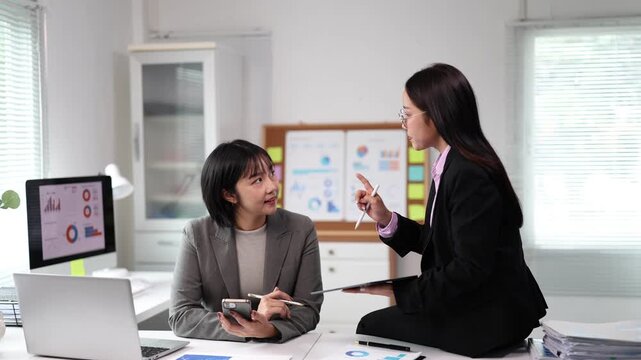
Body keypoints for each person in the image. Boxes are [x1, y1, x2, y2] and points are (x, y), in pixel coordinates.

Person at [350, 63, 547, 357]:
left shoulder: (468, 172)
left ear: (435, 115)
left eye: (407, 114)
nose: (403, 124)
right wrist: (385, 218)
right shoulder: (453, 163)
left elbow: (470, 267)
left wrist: (399, 290)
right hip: (481, 302)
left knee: (369, 325)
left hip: (490, 314)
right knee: (377, 324)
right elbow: (437, 239)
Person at [169, 139, 323, 342]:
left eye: (271, 174)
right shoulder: (197, 233)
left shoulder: (301, 229)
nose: (272, 186)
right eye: (257, 180)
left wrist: (268, 329)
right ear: (229, 194)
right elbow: (181, 316)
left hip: (280, 350)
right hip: (222, 350)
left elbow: (309, 309)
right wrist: (246, 327)